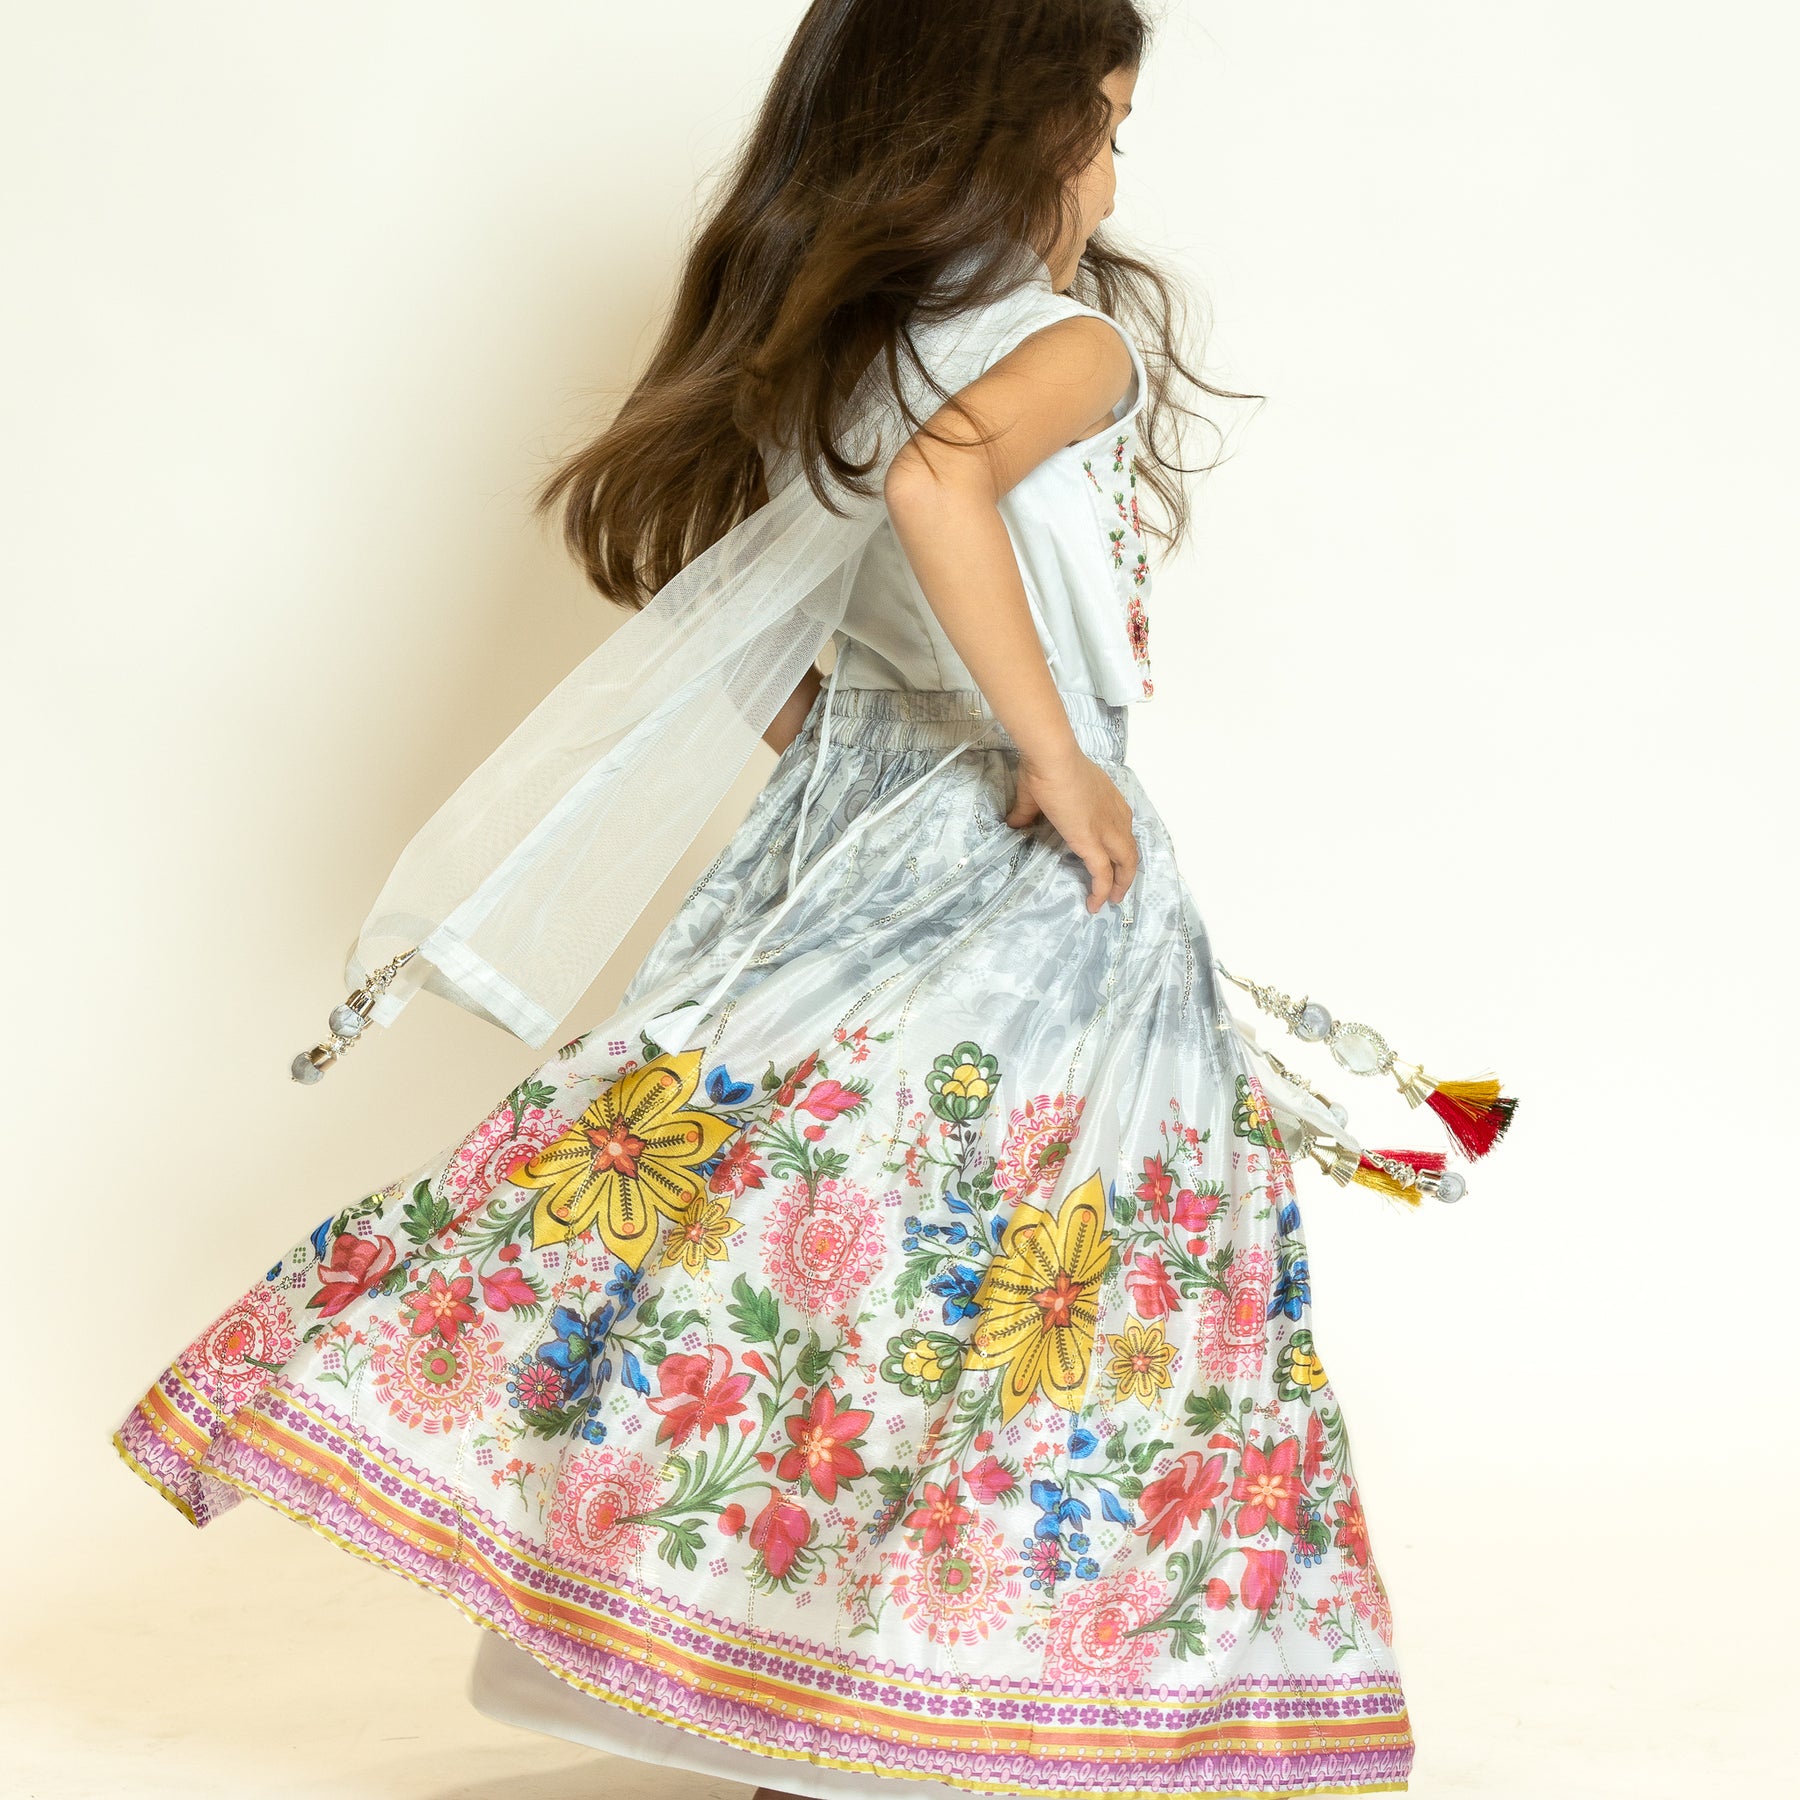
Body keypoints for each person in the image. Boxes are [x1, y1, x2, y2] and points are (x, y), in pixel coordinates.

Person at [114, 4, 1514, 1795]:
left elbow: (745, 589)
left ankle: (802, 1699)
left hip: (851, 843)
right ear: (1014, 134)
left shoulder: (842, 352)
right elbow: (941, 484)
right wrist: (1052, 749)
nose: (1109, 178)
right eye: (1103, 127)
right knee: (1060, 1263)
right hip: (1023, 863)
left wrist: (846, 735)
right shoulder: (1067, 347)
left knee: (816, 1231)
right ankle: (979, 1709)